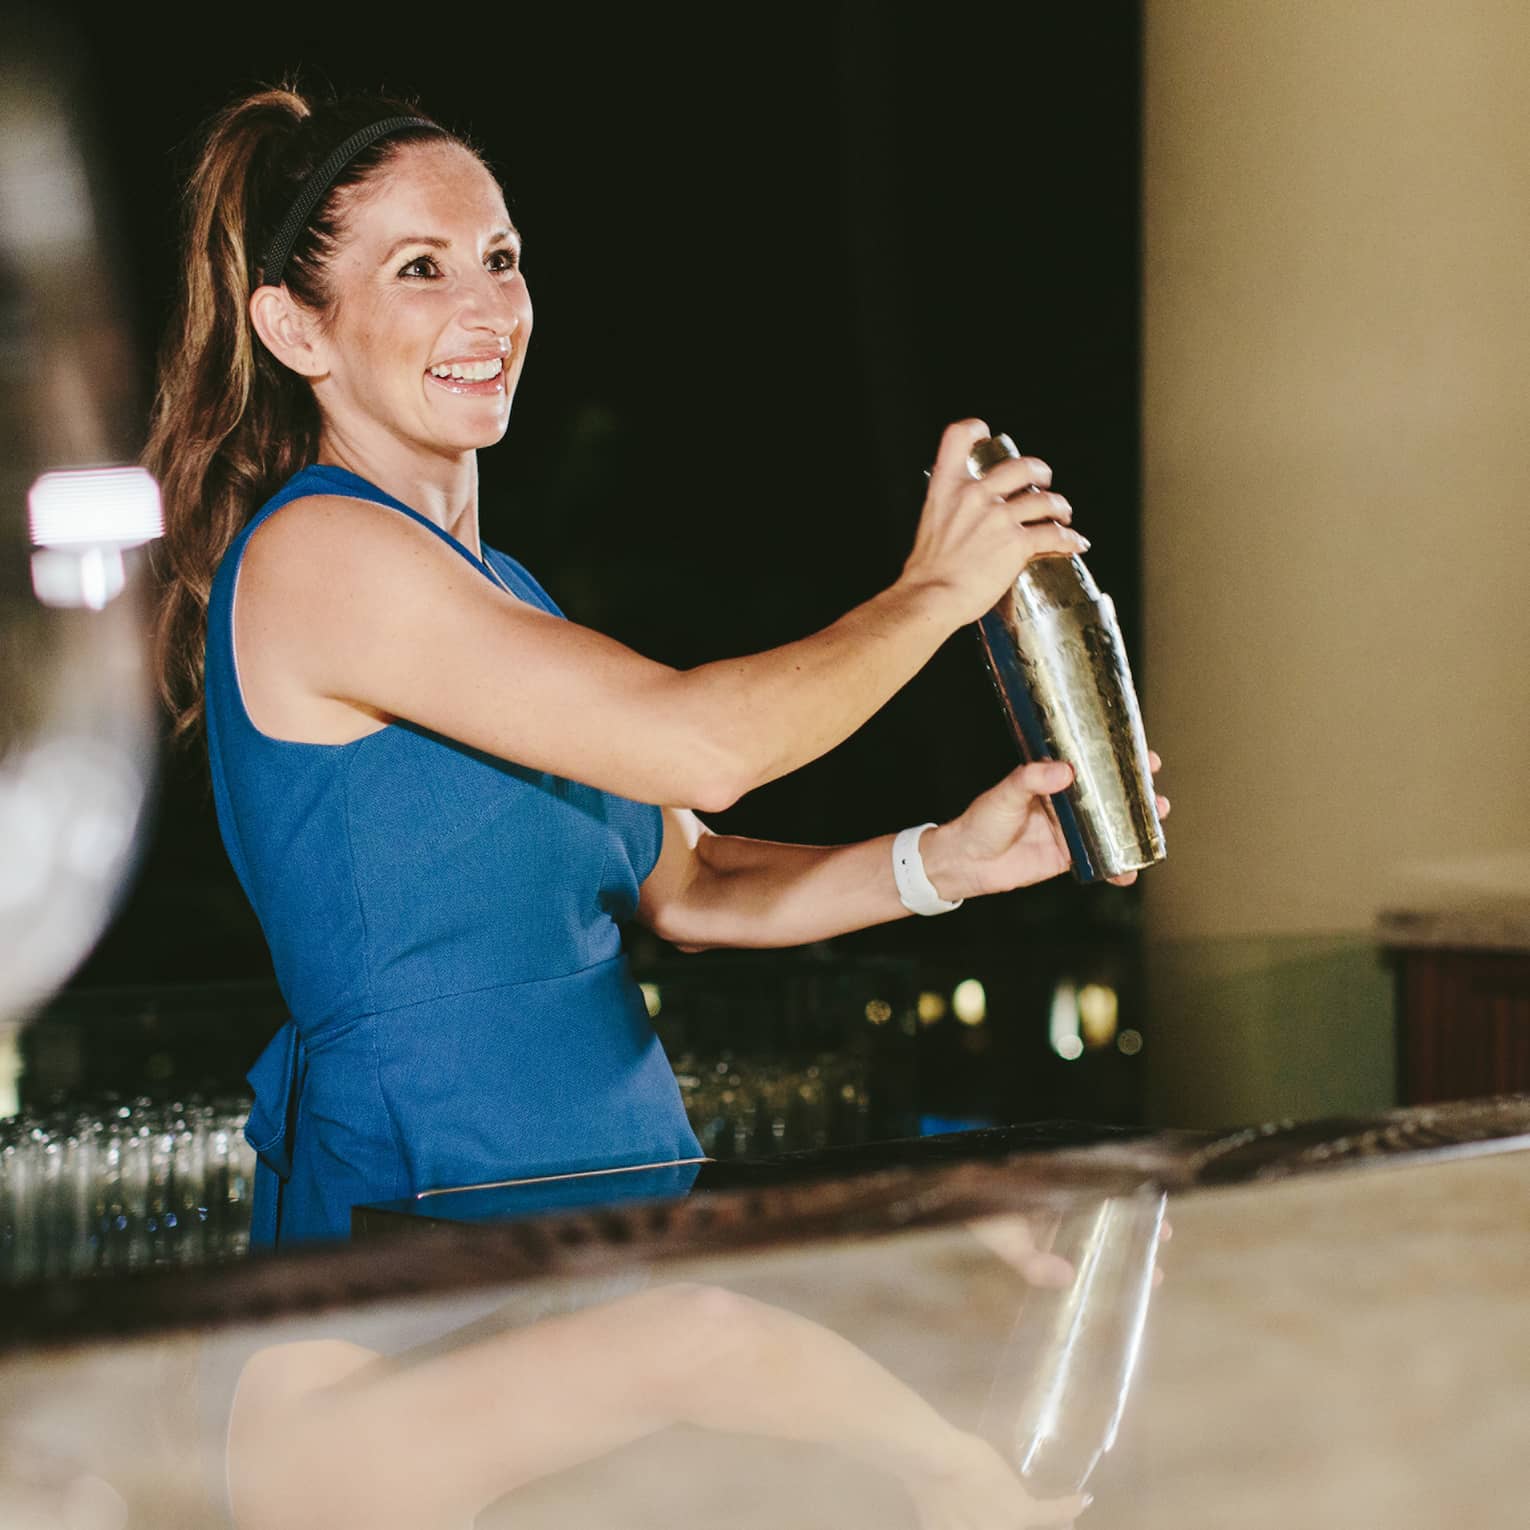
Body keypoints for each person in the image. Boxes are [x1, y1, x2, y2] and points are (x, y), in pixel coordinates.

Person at [145, 86, 1167, 1250]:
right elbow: (706, 747)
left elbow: (697, 882)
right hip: (428, 1205)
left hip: (618, 1185)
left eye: (501, 258)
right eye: (420, 271)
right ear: (296, 330)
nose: (488, 310)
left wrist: (943, 863)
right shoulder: (317, 554)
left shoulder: (502, 591)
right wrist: (936, 593)